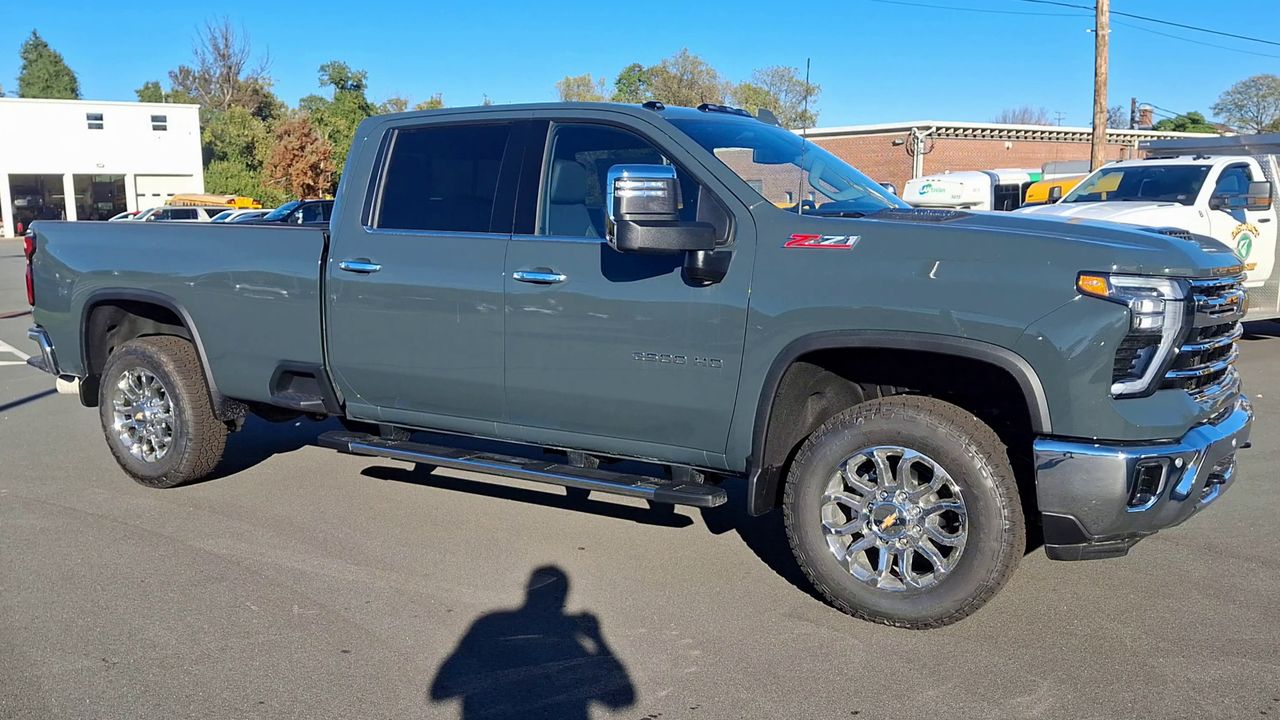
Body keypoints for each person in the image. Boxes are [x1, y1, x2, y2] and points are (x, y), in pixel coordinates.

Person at [430, 565, 636, 719]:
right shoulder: (572, 648)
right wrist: (598, 639)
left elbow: (441, 689)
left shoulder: (490, 627)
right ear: (562, 601)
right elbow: (622, 697)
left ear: (528, 592)